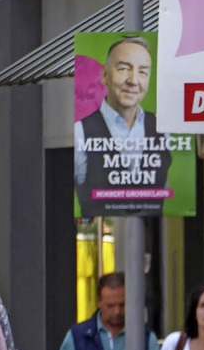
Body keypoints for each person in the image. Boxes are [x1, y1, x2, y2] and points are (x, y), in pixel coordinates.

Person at [74, 35, 172, 215]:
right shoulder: (80, 131)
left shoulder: (162, 130)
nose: (133, 80)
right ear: (104, 75)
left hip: (155, 237)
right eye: (124, 69)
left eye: (142, 72)